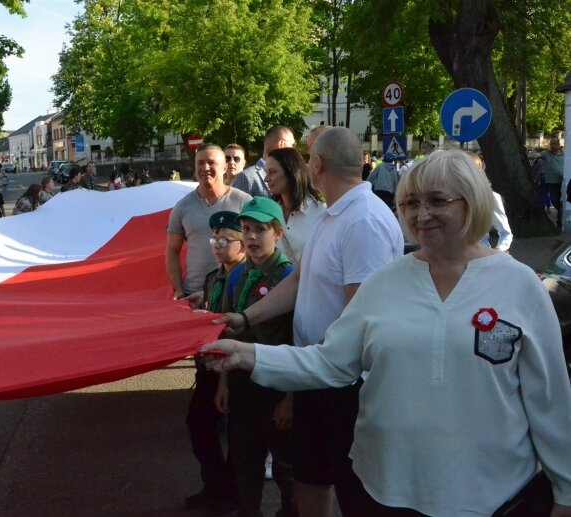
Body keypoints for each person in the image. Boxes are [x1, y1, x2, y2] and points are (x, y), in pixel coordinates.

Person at [201, 149, 571, 516]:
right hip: (387, 489)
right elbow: (332, 361)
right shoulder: (385, 282)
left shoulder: (519, 285)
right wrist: (249, 354)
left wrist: (565, 490)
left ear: (472, 201)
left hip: (492, 492)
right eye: (410, 203)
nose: (421, 215)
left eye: (437, 201)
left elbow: (550, 397)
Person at [210, 127, 403, 517]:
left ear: (316, 164)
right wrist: (245, 318)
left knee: (354, 490)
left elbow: (361, 317)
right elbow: (299, 281)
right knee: (311, 479)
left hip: (345, 387)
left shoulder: (362, 221)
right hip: (317, 376)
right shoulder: (333, 216)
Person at [166, 143, 251, 514]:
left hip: (239, 305)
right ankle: (218, 484)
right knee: (207, 404)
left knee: (237, 408)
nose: (205, 169)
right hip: (201, 308)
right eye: (200, 163)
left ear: (226, 167)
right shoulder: (184, 207)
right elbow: (171, 250)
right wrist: (178, 292)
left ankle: (235, 488)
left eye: (212, 163)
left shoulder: (245, 201)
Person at [216, 198, 296, 517]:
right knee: (245, 461)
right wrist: (223, 383)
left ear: (277, 233)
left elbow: (298, 340)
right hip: (242, 385)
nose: (251, 237)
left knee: (287, 467)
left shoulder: (288, 277)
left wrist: (290, 399)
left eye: (260, 230)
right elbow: (225, 333)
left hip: (277, 384)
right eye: (246, 230)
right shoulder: (236, 277)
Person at [264, 146, 325, 263]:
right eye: (266, 172)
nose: (266, 179)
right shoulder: (268, 212)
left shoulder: (321, 213)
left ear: (291, 172)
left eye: (272, 172)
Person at [233, 126, 295, 198]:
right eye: (292, 145)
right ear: (281, 144)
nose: (294, 150)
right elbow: (236, 208)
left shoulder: (288, 175)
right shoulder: (246, 177)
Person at [468, 151, 513, 252]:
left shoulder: (491, 197)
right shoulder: (449, 197)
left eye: (471, 170)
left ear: (479, 170)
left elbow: (505, 233)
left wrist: (498, 250)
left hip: (480, 254)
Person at [529, 138, 564, 226]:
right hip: (552, 182)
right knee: (554, 200)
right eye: (551, 144)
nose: (553, 146)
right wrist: (526, 154)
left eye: (555, 144)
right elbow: (536, 155)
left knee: (564, 202)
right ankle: (561, 213)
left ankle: (560, 222)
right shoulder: (546, 154)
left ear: (559, 144)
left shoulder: (565, 154)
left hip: (564, 182)